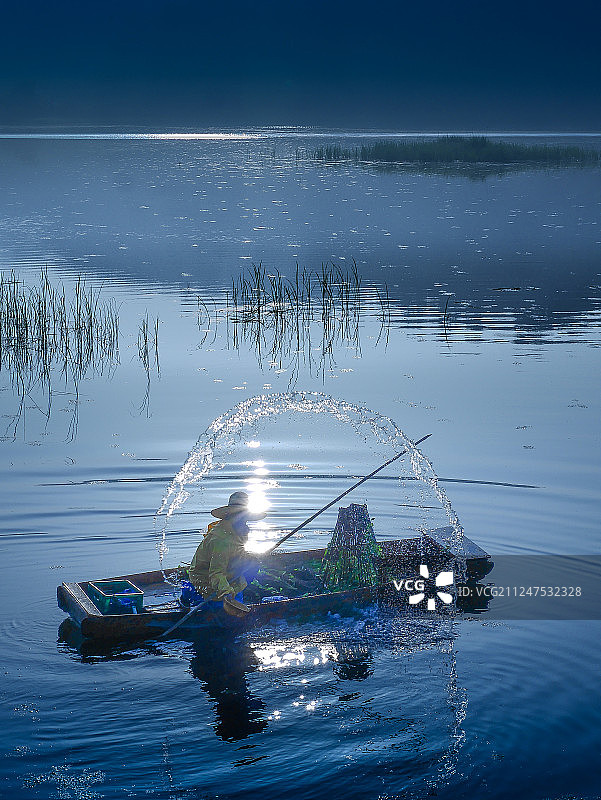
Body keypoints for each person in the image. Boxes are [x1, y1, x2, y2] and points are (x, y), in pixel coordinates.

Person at [188, 491, 262, 617]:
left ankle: (237, 590)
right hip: (205, 579)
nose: (244, 520)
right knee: (228, 609)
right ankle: (221, 596)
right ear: (232, 516)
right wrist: (226, 592)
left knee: (253, 564)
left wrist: (250, 559)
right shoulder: (221, 540)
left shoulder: (239, 530)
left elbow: (237, 552)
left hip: (226, 571)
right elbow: (216, 573)